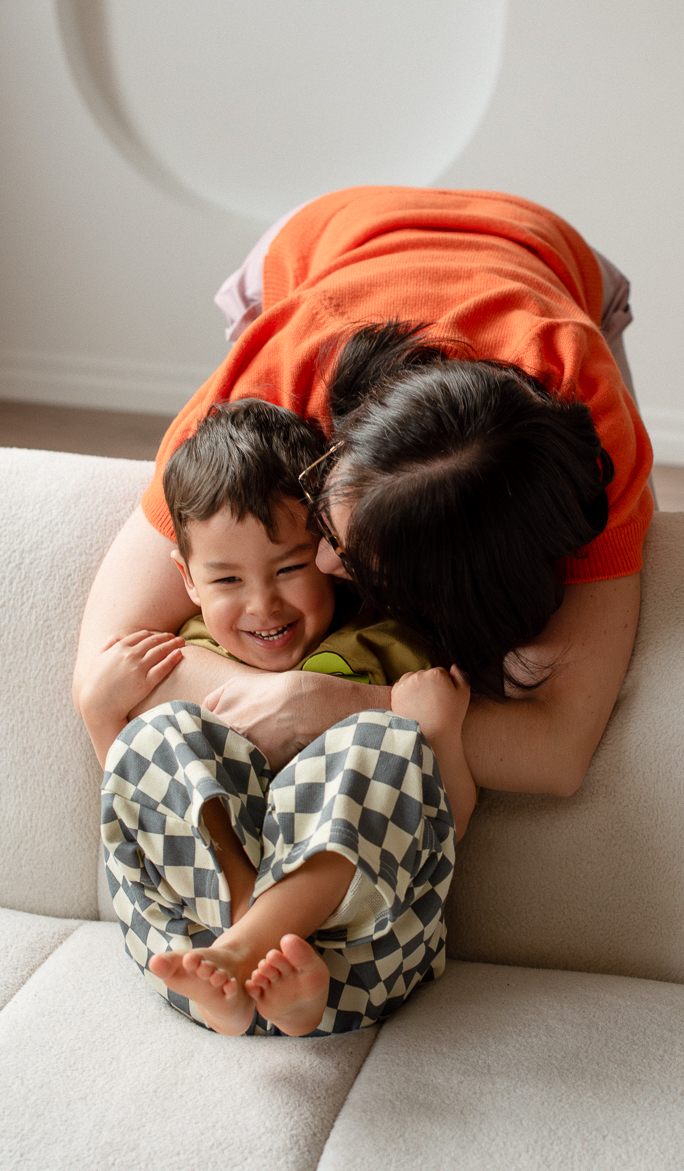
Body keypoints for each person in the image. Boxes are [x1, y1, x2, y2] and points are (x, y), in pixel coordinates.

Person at [74, 185, 654, 808]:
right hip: (332, 236)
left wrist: (335, 703)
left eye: (349, 556)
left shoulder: (598, 442)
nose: (321, 558)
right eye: (324, 514)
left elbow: (557, 753)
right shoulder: (273, 389)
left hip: (549, 254)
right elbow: (107, 665)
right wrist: (286, 695)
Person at [80, 398, 476, 1035]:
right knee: (157, 732)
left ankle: (256, 947)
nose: (263, 605)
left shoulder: (385, 651)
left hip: (364, 961)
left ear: (330, 554)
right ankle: (251, 953)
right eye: (227, 581)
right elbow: (148, 808)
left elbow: (444, 821)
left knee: (384, 736)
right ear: (187, 580)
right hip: (193, 949)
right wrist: (102, 716)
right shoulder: (181, 660)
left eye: (289, 568)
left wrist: (442, 733)